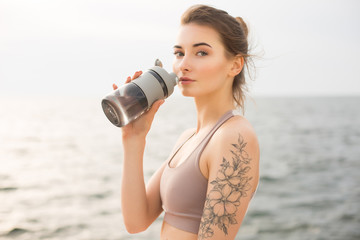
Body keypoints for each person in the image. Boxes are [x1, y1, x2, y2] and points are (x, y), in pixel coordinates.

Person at [112, 4, 260, 240]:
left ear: (235, 65)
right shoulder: (188, 138)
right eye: (179, 53)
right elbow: (136, 221)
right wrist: (133, 139)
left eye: (201, 52)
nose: (183, 65)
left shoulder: (233, 136)